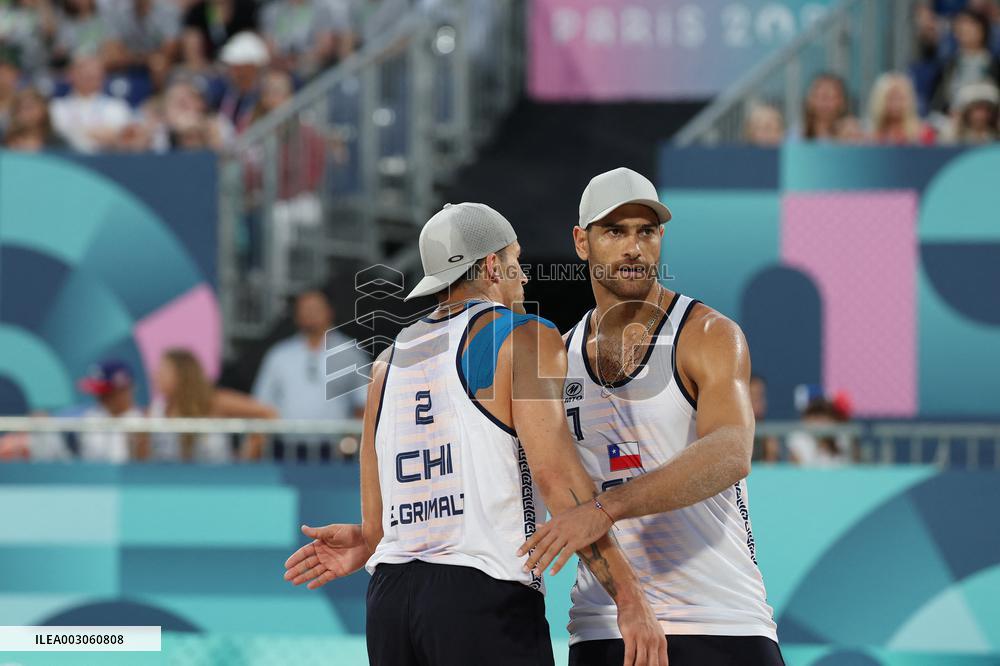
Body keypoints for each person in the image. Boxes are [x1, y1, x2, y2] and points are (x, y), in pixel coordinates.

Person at [283, 203, 666, 666]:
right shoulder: (524, 336)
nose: (523, 276)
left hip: (390, 599)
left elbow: (376, 506)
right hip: (479, 596)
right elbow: (558, 479)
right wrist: (628, 596)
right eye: (516, 261)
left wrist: (369, 538)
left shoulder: (388, 359)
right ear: (491, 266)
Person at [518, 168, 783, 665]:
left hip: (719, 619)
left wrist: (605, 508)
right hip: (604, 625)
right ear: (581, 242)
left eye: (647, 231)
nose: (634, 248)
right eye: (615, 232)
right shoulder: (560, 355)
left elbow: (731, 452)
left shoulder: (707, 334)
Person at [253, 290, 367, 459]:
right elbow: (261, 404)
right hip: (285, 450)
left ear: (329, 311)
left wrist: (352, 441)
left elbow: (364, 402)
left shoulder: (350, 352)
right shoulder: (279, 355)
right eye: (304, 309)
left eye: (315, 308)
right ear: (296, 316)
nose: (310, 314)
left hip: (334, 453)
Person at [150, 348, 277, 462]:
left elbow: (267, 413)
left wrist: (247, 457)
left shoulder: (214, 402)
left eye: (163, 370)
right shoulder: (157, 409)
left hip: (217, 482)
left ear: (182, 375)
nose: (156, 376)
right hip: (173, 483)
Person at [50, 53, 132, 152]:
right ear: (71, 75)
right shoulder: (57, 107)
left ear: (103, 77)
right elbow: (59, 135)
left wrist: (78, 131)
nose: (88, 76)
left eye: (93, 73)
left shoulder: (116, 106)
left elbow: (121, 137)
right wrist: (97, 133)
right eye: (82, 72)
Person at [260, 0, 354, 79]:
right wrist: (284, 62)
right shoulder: (271, 12)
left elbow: (324, 45)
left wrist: (299, 61)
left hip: (311, 66)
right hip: (280, 67)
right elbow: (268, 47)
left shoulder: (321, 8)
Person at [930, 8, 1000, 113]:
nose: (964, 30)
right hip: (953, 119)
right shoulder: (947, 65)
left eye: (970, 26)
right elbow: (938, 101)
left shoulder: (994, 64)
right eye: (960, 27)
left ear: (982, 29)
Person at [76, 360, 146, 463]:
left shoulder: (143, 423)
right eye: (99, 393)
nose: (100, 398)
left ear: (124, 391)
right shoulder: (90, 418)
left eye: (106, 393)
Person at [866, 72, 936, 144]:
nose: (896, 104)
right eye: (891, 98)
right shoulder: (869, 136)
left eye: (900, 98)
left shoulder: (922, 134)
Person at [801, 72, 855, 141]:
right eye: (820, 96)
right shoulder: (796, 136)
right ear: (809, 100)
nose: (825, 103)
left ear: (842, 102)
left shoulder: (853, 135)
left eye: (831, 97)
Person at [749, 375, 780, 463]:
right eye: (753, 395)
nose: (758, 401)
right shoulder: (731, 435)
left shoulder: (769, 436)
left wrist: (771, 455)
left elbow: (771, 471)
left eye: (761, 395)